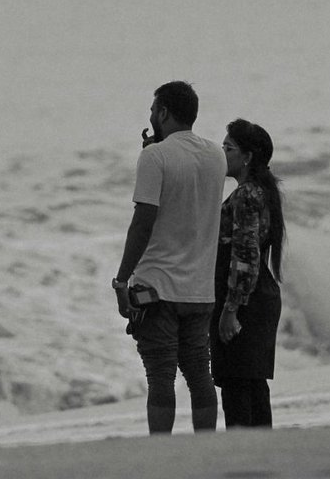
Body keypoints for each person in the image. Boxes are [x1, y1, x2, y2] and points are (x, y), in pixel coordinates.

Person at [113, 81, 227, 434]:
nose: (150, 116)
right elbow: (189, 195)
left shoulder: (154, 157)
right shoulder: (216, 155)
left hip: (158, 287)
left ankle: (161, 450)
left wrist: (121, 280)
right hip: (200, 289)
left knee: (160, 375)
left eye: (153, 110)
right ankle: (205, 447)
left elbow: (143, 222)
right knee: (199, 373)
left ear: (163, 113)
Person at [210, 118, 286, 428]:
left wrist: (231, 309)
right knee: (252, 385)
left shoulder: (246, 196)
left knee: (237, 386)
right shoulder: (261, 191)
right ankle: (262, 450)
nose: (222, 153)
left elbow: (245, 256)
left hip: (246, 301)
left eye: (228, 148)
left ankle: (244, 451)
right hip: (259, 296)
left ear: (247, 157)